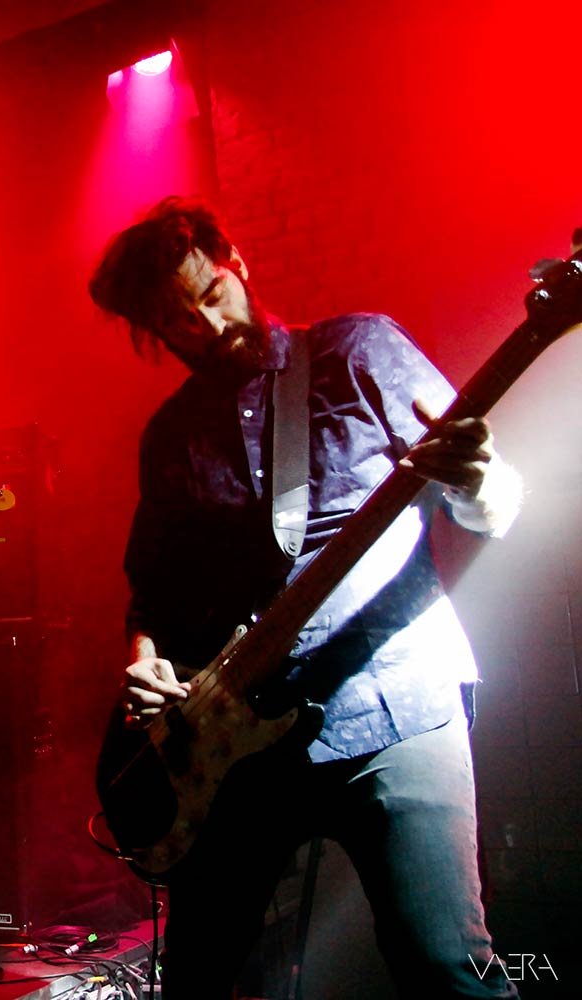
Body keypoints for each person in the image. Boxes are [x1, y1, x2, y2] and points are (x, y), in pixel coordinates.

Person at [88, 198, 524, 997]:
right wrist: (144, 661)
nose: (207, 326)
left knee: (445, 968)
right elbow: (151, 591)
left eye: (211, 294)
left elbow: (495, 506)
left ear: (236, 262)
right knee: (197, 979)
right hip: (238, 743)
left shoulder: (359, 350)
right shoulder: (170, 436)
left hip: (393, 705)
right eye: (178, 321)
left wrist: (477, 479)